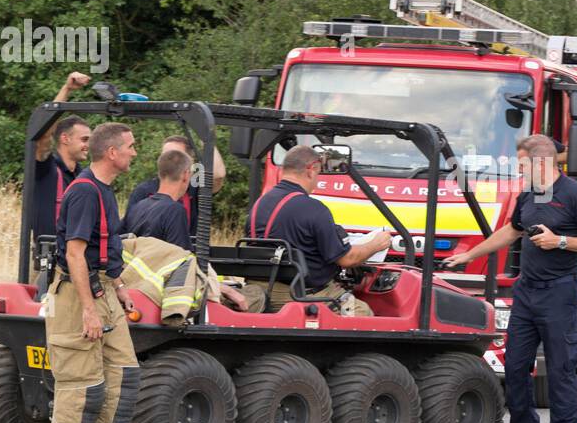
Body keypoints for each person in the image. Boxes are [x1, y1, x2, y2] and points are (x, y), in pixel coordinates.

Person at [443, 134, 577, 423]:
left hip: (559, 294)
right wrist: (470, 254)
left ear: (540, 162)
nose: (518, 170)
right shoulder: (529, 195)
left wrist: (560, 241)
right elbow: (511, 230)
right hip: (527, 292)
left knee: (561, 372)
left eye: (521, 164)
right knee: (515, 367)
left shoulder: (575, 195)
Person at [45, 122, 146, 423]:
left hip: (103, 289)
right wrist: (88, 308)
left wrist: (118, 285)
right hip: (78, 293)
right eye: (131, 146)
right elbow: (74, 255)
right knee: (81, 380)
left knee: (124, 372)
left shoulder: (103, 190)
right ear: (112, 153)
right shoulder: (85, 192)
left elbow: (105, 248)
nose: (135, 152)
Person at [243, 145, 390, 315]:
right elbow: (347, 260)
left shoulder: (260, 204)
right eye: (318, 173)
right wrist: (376, 244)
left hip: (260, 287)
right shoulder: (314, 208)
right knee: (362, 312)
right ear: (311, 170)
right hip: (300, 293)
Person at [30, 71, 94, 247]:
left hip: (75, 257)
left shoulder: (84, 176)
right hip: (45, 260)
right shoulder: (46, 168)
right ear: (65, 139)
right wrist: (67, 89)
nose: (88, 145)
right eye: (84, 140)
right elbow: (42, 135)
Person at [123, 134, 226, 241]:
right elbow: (129, 230)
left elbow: (218, 176)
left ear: (190, 162)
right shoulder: (143, 191)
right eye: (165, 155)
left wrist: (207, 140)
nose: (169, 160)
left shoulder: (194, 188)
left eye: (176, 156)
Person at [123, 147, 193, 251]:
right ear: (186, 175)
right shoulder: (175, 211)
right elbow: (180, 259)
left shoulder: (137, 207)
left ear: (160, 173)